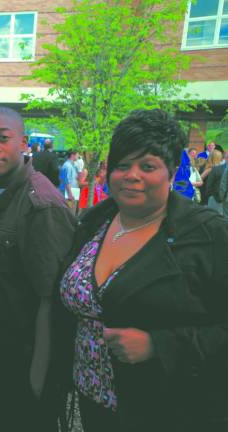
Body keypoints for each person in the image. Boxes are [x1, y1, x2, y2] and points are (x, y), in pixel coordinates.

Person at [56, 109, 228, 431]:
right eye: (122, 165)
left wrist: (159, 345)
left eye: (147, 166)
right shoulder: (92, 223)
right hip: (93, 403)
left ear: (172, 171)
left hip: (169, 410)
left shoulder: (208, 236)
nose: (131, 175)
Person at [0, 107, 75, 431]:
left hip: (24, 357)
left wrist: (38, 379)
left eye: (3, 138)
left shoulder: (40, 205)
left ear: (24, 143)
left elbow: (51, 301)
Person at [205, 150, 228, 215]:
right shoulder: (216, 169)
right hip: (217, 198)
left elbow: (209, 185)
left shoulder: (216, 169)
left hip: (216, 198)